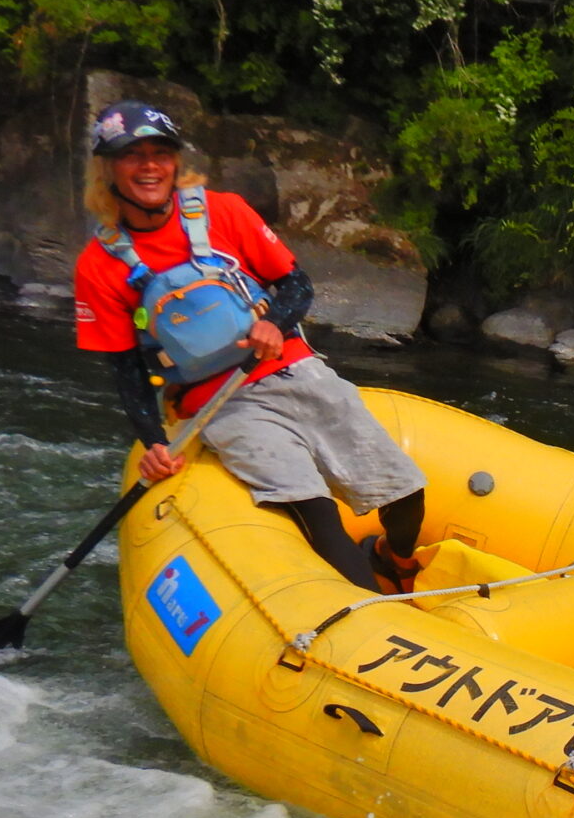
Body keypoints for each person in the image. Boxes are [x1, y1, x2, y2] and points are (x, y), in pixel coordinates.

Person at [71, 100, 428, 594]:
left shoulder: (224, 211)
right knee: (316, 511)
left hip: (292, 369)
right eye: (132, 155)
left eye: (160, 153)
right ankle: (375, 616)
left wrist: (275, 324)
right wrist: (153, 441)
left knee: (407, 494)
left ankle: (394, 559)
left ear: (174, 161)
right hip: (218, 404)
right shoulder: (98, 265)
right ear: (107, 169)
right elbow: (127, 368)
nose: (149, 166)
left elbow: (296, 285)